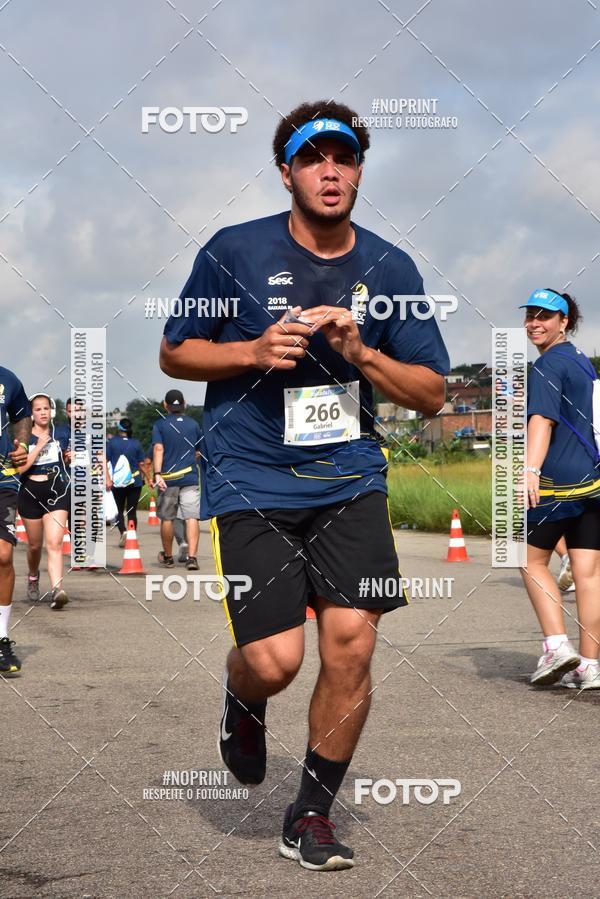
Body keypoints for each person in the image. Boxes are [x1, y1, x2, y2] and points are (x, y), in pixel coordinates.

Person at [160, 100, 450, 870]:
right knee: (276, 661)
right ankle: (242, 693)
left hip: (349, 478)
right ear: (286, 170)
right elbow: (176, 353)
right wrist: (253, 350)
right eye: (314, 158)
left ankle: (310, 813)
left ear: (360, 168)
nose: (331, 171)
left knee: (352, 642)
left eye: (344, 157)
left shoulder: (390, 269)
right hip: (251, 477)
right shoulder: (235, 251)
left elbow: (429, 392)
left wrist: (364, 355)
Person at [520, 289, 600, 689]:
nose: (535, 322)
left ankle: (556, 646)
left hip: (557, 481)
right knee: (587, 573)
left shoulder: (548, 364)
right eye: (531, 315)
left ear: (564, 322)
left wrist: (531, 470)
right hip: (593, 479)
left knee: (529, 559)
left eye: (546, 316)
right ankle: (590, 665)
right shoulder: (583, 362)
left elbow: (542, 421)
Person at [18, 394, 70, 609]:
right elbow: (20, 468)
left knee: (55, 543)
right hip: (30, 491)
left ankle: (57, 590)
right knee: (34, 545)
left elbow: (65, 457)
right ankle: (32, 575)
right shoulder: (22, 436)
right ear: (32, 413)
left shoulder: (61, 433)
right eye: (38, 409)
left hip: (57, 490)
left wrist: (68, 458)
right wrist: (39, 446)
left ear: (52, 410)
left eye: (46, 408)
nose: (43, 412)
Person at [0, 367, 31, 674]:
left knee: (3, 554)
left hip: (3, 480)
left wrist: (21, 446)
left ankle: (2, 639)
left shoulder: (8, 378)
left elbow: (21, 415)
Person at [151, 390, 202, 570]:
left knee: (167, 518)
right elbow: (198, 451)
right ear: (184, 404)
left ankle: (168, 557)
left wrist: (157, 473)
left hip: (168, 479)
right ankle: (192, 558)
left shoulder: (160, 425)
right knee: (191, 518)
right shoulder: (194, 424)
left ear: (165, 405)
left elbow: (158, 449)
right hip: (189, 477)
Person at [106, 418, 150, 547]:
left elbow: (104, 460)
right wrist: (149, 477)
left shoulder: (112, 442)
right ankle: (132, 537)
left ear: (119, 428)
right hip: (135, 481)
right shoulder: (136, 443)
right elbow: (142, 463)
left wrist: (107, 478)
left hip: (117, 482)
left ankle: (123, 533)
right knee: (132, 510)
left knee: (119, 510)